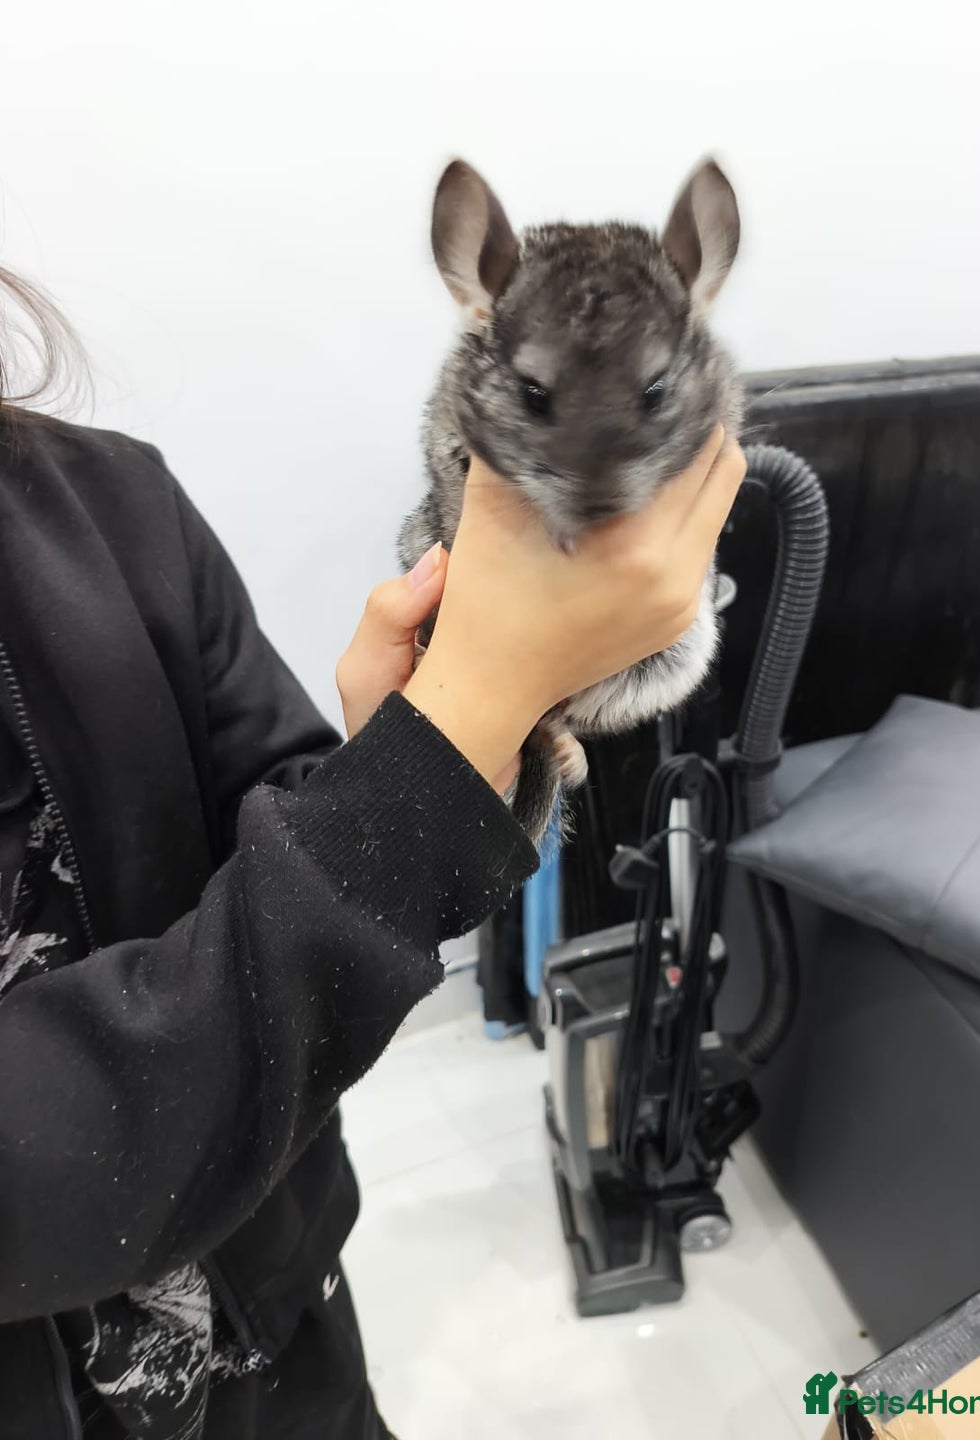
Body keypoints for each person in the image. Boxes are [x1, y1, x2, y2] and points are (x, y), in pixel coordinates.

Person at [0, 266, 745, 1439]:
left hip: (282, 1316)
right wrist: (434, 756)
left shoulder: (115, 508)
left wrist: (421, 751)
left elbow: (285, 837)